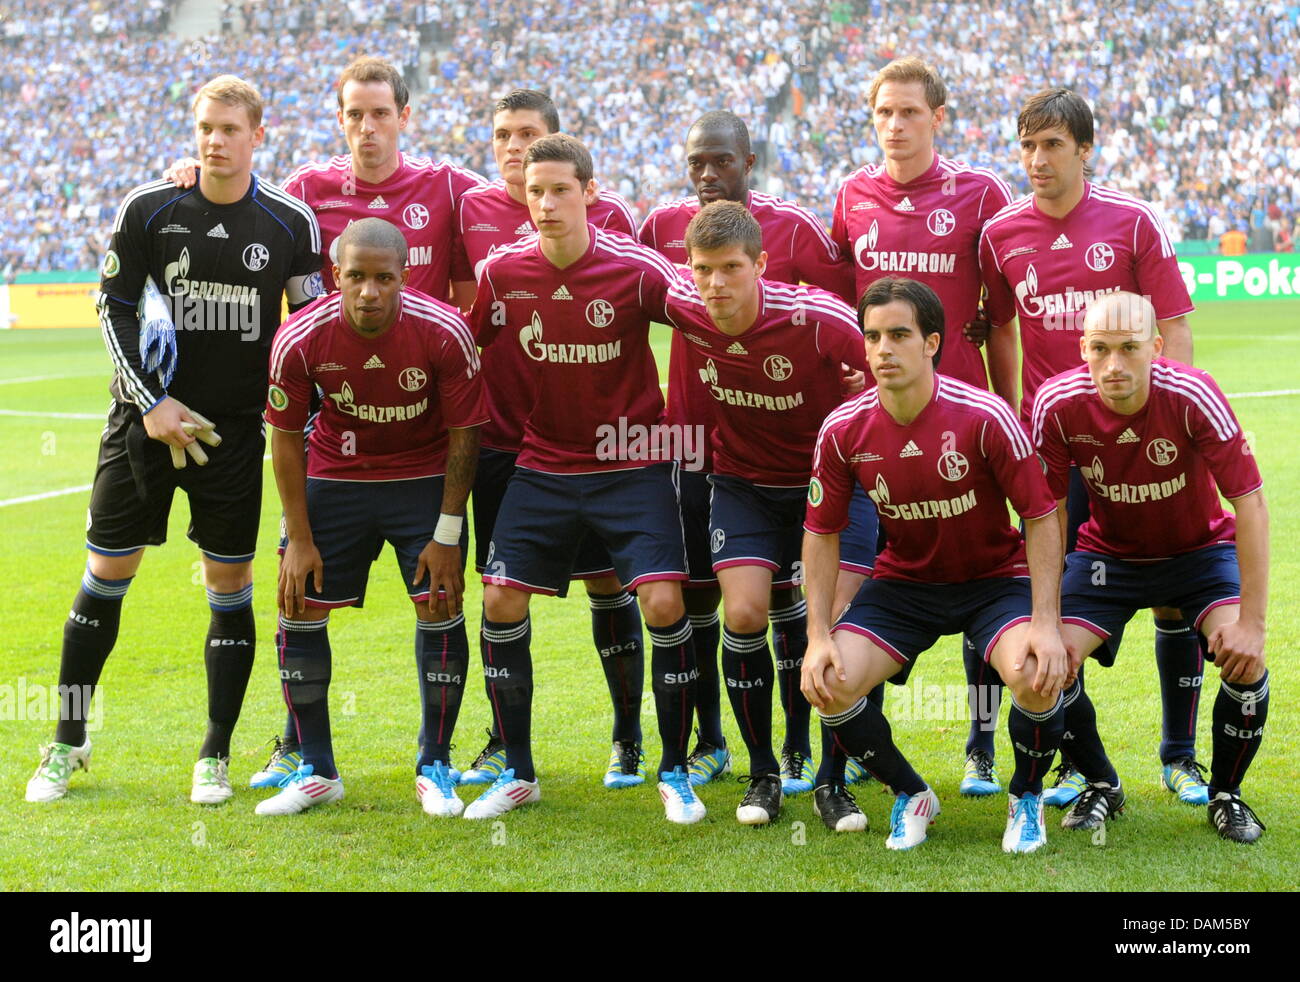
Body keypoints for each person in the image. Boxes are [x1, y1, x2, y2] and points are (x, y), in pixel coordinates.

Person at [168, 57, 487, 789]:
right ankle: (298, 748)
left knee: (448, 599)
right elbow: (239, 198)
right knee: (299, 592)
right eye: (354, 114)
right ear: (338, 119)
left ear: (405, 116)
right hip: (332, 432)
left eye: (381, 113)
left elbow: (521, 198)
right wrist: (195, 173)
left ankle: (448, 755)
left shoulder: (446, 187)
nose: (368, 127)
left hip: (423, 432)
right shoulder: (308, 192)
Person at [25, 75, 323, 805]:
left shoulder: (290, 223)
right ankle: (66, 739)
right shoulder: (150, 206)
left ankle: (214, 753)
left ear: (259, 134)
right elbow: (113, 308)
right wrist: (152, 403)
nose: (215, 140)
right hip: (142, 426)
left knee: (228, 585)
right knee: (106, 572)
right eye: (204, 128)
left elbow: (311, 333)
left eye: (229, 128)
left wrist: (301, 426)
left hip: (231, 437)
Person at [979, 87, 1205, 809]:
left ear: (1084, 149)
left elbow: (1174, 324)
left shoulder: (1132, 221)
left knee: (1174, 597)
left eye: (1051, 145)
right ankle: (1081, 764)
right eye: (1027, 145)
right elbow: (1002, 326)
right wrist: (1014, 414)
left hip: (1142, 440)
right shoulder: (1001, 234)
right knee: (1051, 601)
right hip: (1059, 448)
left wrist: (1179, 422)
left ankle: (1180, 757)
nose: (1037, 160)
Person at [467, 134, 703, 823]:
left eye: (560, 189)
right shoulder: (503, 271)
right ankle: (518, 773)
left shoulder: (636, 270)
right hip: (543, 463)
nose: (545, 203)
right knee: (502, 600)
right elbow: (460, 347)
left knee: (662, 604)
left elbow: (711, 323)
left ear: (590, 194)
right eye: (535, 191)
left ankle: (674, 770)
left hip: (631, 461)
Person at [800, 277, 1069, 854]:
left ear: (932, 343)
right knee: (829, 681)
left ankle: (1026, 798)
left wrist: (1047, 621)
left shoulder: (985, 416)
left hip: (993, 580)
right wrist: (817, 634)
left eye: (899, 334)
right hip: (905, 584)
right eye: (872, 336)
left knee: (1035, 672)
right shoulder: (843, 429)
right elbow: (820, 534)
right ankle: (912, 794)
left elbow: (1042, 516)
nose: (882, 349)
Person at [639, 109, 856, 796]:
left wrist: (859, 380)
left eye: (722, 162)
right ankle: (716, 746)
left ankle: (809, 753)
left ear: (749, 162)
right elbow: (623, 290)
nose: (708, 175)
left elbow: (857, 321)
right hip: (700, 449)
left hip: (807, 464)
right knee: (718, 603)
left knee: (806, 607)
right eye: (697, 162)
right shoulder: (659, 235)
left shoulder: (795, 234)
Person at [447, 89, 648, 791]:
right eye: (502, 134)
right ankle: (505, 745)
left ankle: (628, 738)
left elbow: (642, 297)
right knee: (503, 590)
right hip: (501, 442)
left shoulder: (607, 215)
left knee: (605, 580)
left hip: (593, 443)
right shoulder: (466, 208)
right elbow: (456, 307)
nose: (512, 146)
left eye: (528, 135)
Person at [830, 55, 1017, 800]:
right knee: (874, 582)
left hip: (973, 433)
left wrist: (1014, 408)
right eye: (884, 113)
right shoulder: (851, 196)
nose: (897, 125)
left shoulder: (981, 194)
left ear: (939, 118)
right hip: (887, 430)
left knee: (983, 584)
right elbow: (850, 308)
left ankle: (979, 743)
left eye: (911, 112)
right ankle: (859, 756)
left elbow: (998, 319)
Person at [258, 217, 487, 816]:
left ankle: (434, 761)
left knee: (441, 603)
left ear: (403, 277)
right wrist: (299, 539)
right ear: (336, 275)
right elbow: (283, 440)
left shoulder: (444, 332)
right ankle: (316, 767)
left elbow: (466, 435)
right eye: (355, 277)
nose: (368, 292)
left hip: (421, 479)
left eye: (383, 278)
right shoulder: (299, 337)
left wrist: (447, 533)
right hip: (335, 477)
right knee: (298, 603)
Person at [1032, 292, 1269, 843]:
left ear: (1156, 348)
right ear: (1083, 349)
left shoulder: (1193, 394)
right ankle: (1101, 783)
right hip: (1106, 560)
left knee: (1245, 666)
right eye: (1101, 349)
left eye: (1130, 349)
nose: (1114, 365)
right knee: (1044, 668)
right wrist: (1044, 620)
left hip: (1199, 554)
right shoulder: (1057, 403)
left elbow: (1250, 501)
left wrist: (1253, 624)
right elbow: (1048, 513)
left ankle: (1228, 795)